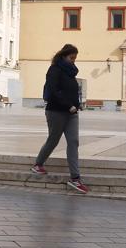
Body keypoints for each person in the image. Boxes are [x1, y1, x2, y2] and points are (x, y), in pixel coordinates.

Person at [32, 44, 88, 193]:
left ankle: (75, 178)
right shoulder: (54, 70)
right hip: (56, 111)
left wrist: (76, 105)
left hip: (72, 113)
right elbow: (54, 90)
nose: (74, 61)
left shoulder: (71, 73)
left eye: (75, 58)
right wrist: (68, 105)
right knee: (53, 139)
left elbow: (72, 91)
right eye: (72, 58)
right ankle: (38, 164)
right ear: (64, 56)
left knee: (73, 142)